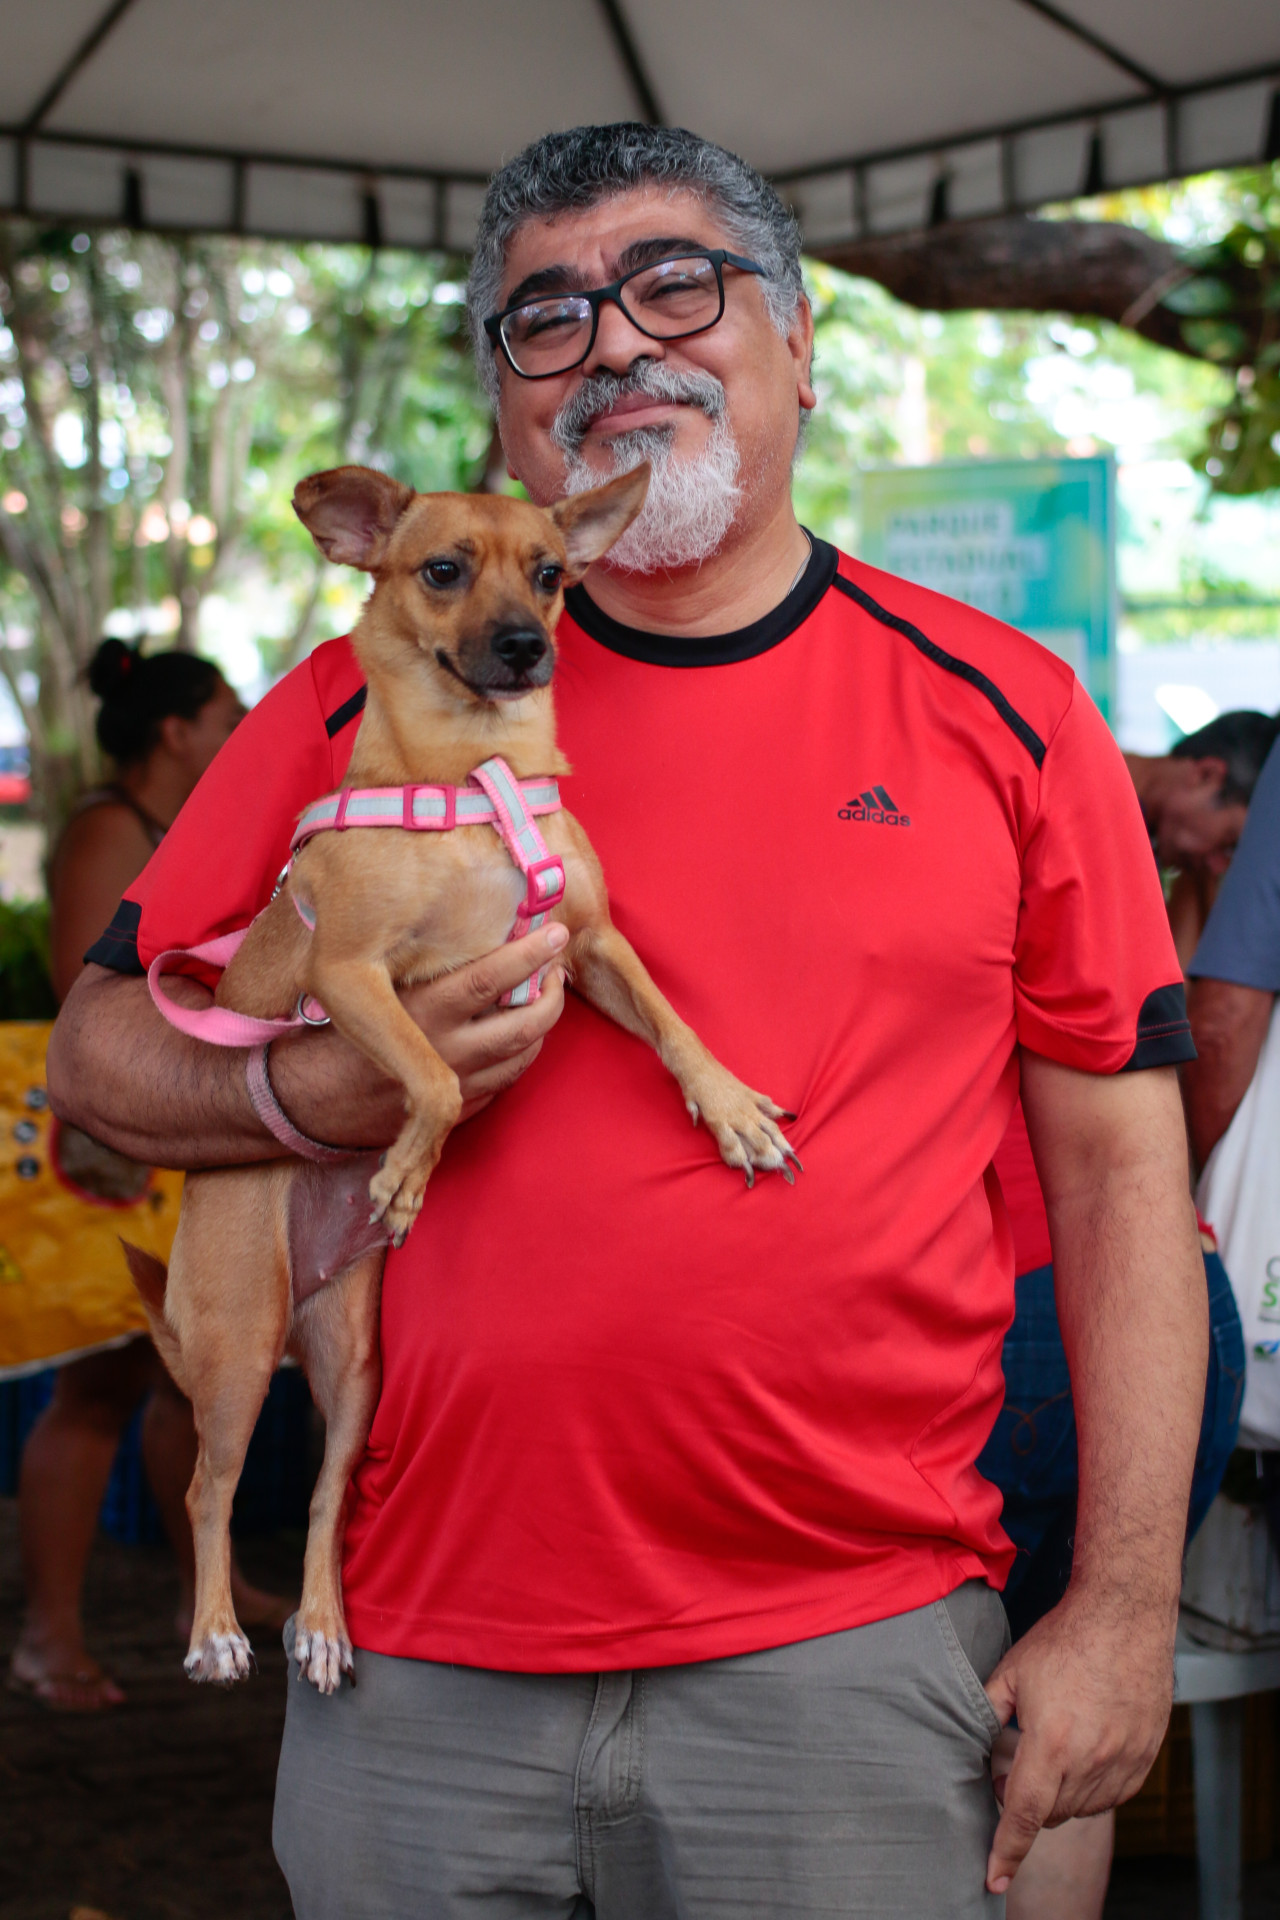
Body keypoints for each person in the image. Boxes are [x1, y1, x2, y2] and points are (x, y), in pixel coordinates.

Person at [47, 125, 1207, 1915]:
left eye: (678, 284)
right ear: (512, 422)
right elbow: (100, 1053)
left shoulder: (1006, 709)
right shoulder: (348, 701)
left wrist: (1123, 1606)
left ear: (801, 350)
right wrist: (309, 1090)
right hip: (414, 1662)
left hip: (847, 1659)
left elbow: (1128, 1187)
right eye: (546, 318)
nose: (612, 342)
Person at [7, 638, 288, 1711]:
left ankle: (201, 1593)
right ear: (175, 730)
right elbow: (96, 987)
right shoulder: (105, 830)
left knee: (186, 1365)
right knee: (97, 1384)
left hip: (180, 1128)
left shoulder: (177, 828)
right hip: (110, 1142)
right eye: (223, 715)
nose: (236, 730)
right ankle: (49, 1636)